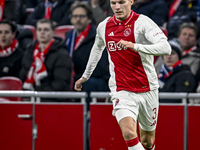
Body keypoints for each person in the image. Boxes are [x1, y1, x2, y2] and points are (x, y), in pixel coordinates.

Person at [74, 0, 171, 149]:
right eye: (113, 3)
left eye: (121, 2)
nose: (117, 7)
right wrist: (85, 76)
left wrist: (135, 46)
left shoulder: (143, 22)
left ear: (131, 1)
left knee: (147, 141)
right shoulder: (104, 26)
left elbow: (166, 48)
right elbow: (97, 49)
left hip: (147, 87)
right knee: (128, 132)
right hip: (121, 89)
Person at [65, 1, 110, 109]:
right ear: (71, 19)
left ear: (89, 19)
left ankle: (87, 116)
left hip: (97, 81)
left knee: (85, 84)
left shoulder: (98, 38)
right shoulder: (68, 38)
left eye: (82, 16)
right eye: (75, 16)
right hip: (76, 77)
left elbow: (101, 69)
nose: (78, 19)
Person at [19, 18, 72, 102]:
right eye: (39, 29)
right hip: (31, 96)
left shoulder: (62, 54)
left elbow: (60, 83)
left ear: (53, 33)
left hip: (52, 99)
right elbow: (23, 75)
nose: (42, 32)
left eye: (46, 30)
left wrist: (37, 93)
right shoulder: (30, 51)